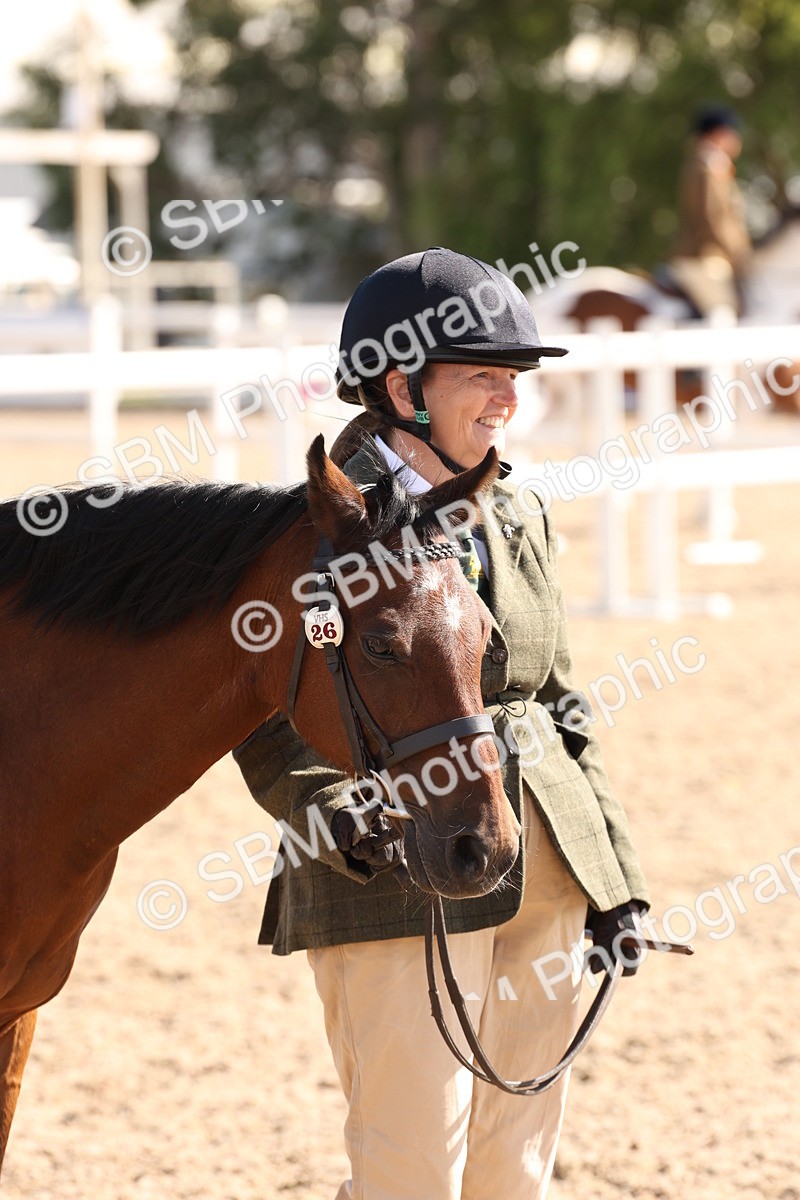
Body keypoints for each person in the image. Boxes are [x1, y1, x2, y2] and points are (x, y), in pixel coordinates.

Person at [233, 247, 650, 1200]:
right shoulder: (307, 531)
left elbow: (561, 698)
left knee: (517, 1163)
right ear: (401, 385)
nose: (507, 401)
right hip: (396, 863)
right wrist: (344, 817)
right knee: (411, 1167)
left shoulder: (518, 509)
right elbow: (262, 711)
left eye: (512, 380)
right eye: (483, 378)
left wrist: (611, 870)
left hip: (540, 857)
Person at [670, 103, 751, 318]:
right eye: (732, 132)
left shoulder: (713, 165)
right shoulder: (707, 167)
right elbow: (712, 219)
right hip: (704, 256)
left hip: (713, 255)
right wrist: (740, 254)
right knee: (726, 313)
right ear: (718, 133)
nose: (737, 138)